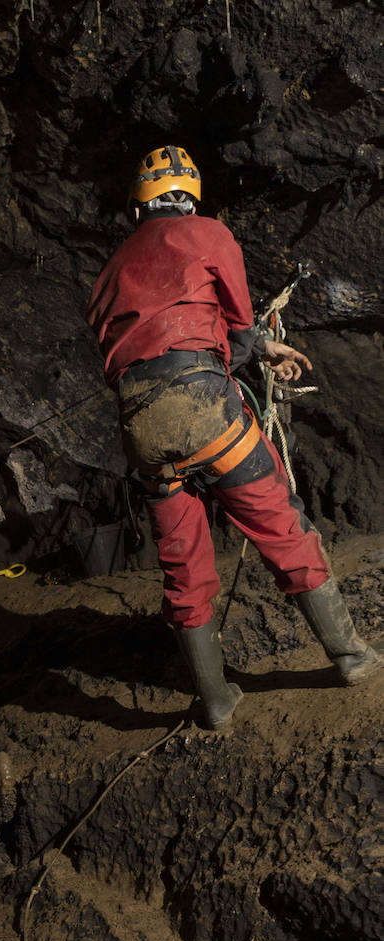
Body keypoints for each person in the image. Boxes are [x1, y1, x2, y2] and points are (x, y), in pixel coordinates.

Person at [86, 144, 380, 727]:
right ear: (190, 196)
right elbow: (239, 332)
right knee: (280, 522)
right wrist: (254, 348)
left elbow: (133, 349)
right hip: (205, 412)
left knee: (182, 565)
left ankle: (216, 700)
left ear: (139, 204)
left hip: (143, 429)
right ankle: (350, 656)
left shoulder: (108, 273)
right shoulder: (208, 233)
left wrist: (238, 347)